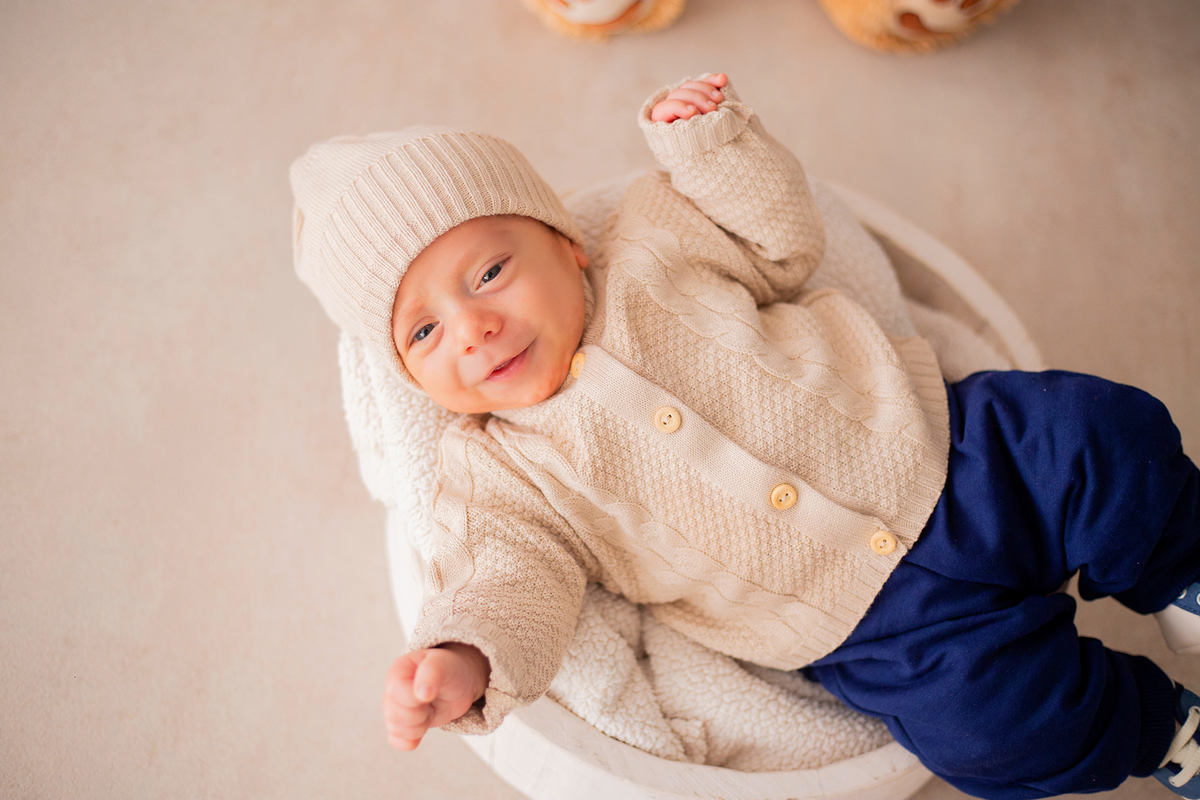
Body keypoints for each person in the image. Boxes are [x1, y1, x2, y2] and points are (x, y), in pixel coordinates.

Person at [290, 74, 1200, 798]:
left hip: (951, 446)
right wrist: (464, 657)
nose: (473, 326)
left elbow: (780, 242)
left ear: (566, 243)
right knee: (992, 731)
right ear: (410, 377)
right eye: (423, 332)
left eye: (489, 270)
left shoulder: (651, 240)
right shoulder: (497, 475)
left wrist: (713, 145)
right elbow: (513, 581)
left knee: (1101, 435)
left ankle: (1179, 571)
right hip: (868, 629)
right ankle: (1162, 730)